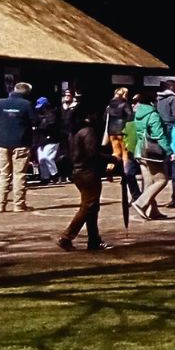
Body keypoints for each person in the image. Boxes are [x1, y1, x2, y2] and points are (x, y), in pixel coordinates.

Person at [57, 107, 110, 252]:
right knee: (88, 207)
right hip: (87, 172)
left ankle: (94, 239)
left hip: (78, 172)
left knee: (92, 207)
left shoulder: (73, 133)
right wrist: (112, 159)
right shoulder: (87, 132)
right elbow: (92, 154)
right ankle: (67, 237)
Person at [0, 82, 37, 212]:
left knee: (4, 174)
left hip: (3, 142)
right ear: (27, 92)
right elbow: (35, 121)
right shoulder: (26, 105)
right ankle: (18, 204)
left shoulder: (1, 103)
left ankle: (0, 204)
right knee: (19, 174)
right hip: (21, 142)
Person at [131, 90, 172, 220]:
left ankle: (152, 210)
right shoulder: (153, 115)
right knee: (161, 180)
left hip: (140, 150)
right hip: (152, 151)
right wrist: (169, 151)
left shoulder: (138, 114)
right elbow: (158, 135)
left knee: (149, 183)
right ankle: (140, 203)